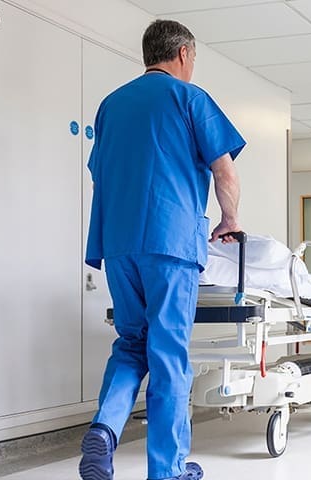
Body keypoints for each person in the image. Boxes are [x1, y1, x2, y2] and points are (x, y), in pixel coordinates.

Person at [79, 19, 246, 480]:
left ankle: (103, 431)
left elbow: (101, 173)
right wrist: (230, 222)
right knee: (168, 352)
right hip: (170, 244)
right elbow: (225, 173)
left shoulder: (110, 106)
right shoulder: (191, 98)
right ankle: (167, 470)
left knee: (132, 343)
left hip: (117, 243)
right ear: (185, 54)